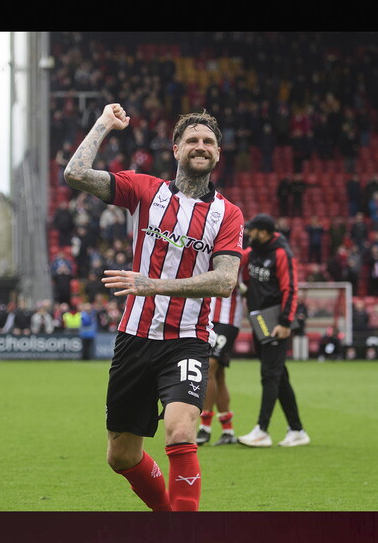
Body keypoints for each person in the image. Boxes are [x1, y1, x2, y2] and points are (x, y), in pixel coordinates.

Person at [64, 103, 244, 511]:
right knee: (121, 455)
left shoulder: (227, 213)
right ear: (176, 148)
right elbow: (74, 174)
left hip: (187, 341)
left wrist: (155, 285)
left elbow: (225, 280)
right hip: (134, 338)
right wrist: (104, 124)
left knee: (181, 432)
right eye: (193, 140)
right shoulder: (146, 191)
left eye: (209, 142)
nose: (202, 146)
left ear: (218, 154)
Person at [237, 213, 310, 448]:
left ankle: (262, 430)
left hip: (275, 321)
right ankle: (297, 430)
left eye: (254, 230)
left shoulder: (281, 254)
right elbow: (237, 258)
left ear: (266, 232)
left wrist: (286, 323)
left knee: (270, 375)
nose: (249, 234)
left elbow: (291, 289)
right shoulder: (254, 251)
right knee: (278, 377)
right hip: (259, 320)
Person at [197, 247, 249, 447]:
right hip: (208, 318)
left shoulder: (240, 255)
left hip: (228, 320)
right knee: (218, 374)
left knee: (209, 367)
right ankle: (228, 430)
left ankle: (205, 427)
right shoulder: (205, 248)